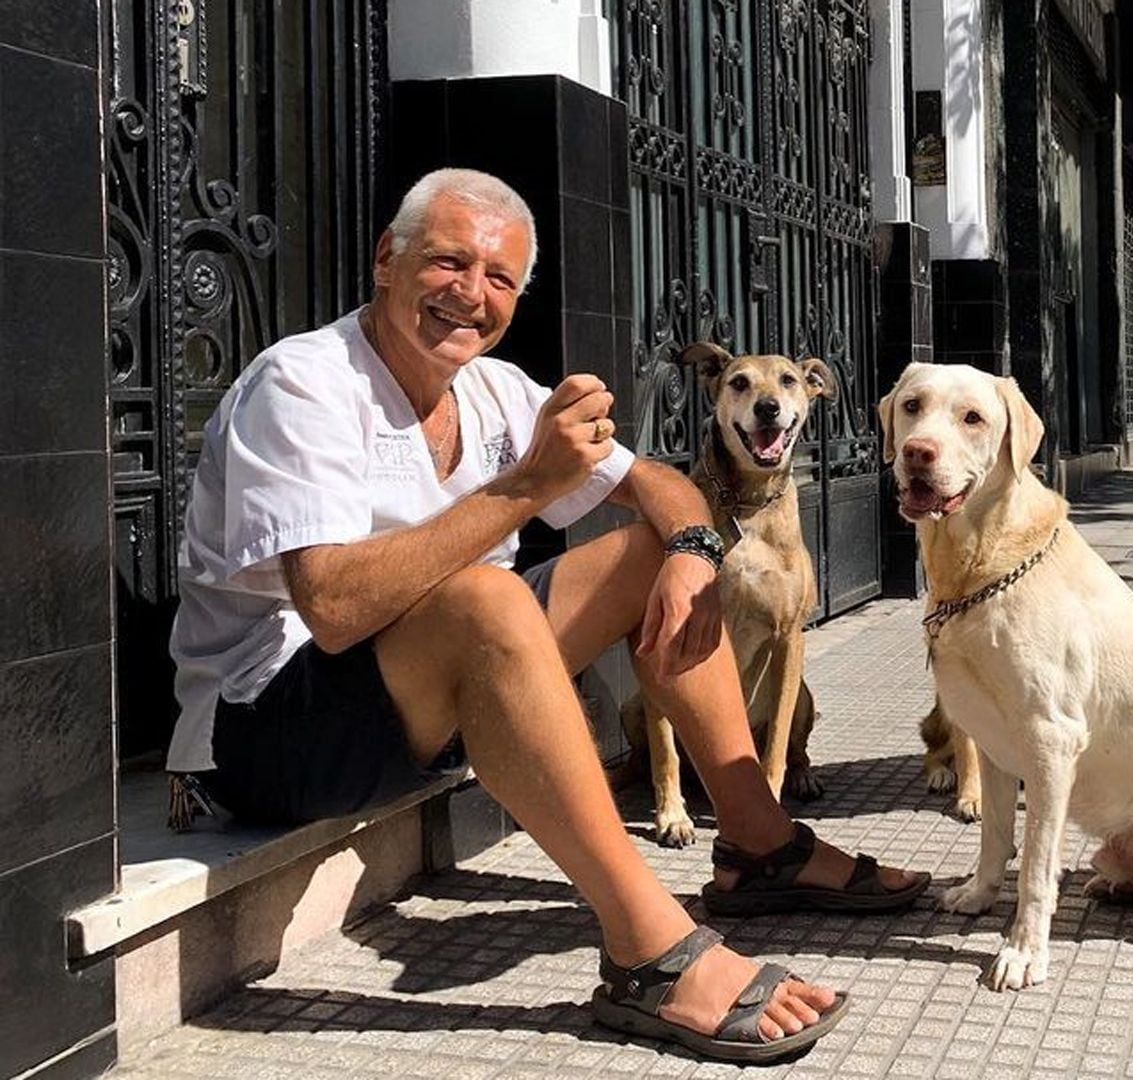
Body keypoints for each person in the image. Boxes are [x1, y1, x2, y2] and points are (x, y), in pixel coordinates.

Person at [167, 168, 927, 1062]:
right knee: (486, 596)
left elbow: (658, 484)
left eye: (498, 279)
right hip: (267, 732)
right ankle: (648, 950)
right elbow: (332, 607)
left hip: (418, 707)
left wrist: (691, 551)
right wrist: (529, 485)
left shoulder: (492, 390)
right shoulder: (301, 385)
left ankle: (759, 846)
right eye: (448, 261)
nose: (470, 294)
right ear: (387, 259)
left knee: (653, 551)